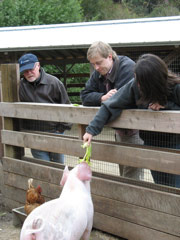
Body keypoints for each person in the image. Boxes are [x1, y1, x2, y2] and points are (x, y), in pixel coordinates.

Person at [83, 53, 180, 188]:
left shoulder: (175, 88)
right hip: (152, 144)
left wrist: (167, 106)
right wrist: (91, 130)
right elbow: (110, 104)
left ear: (153, 80)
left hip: (175, 145)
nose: (138, 84)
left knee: (175, 187)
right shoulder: (135, 85)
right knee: (162, 187)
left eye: (141, 81)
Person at [80, 41, 144, 180]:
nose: (96, 67)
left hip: (135, 129)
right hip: (119, 130)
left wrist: (110, 100)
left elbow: (120, 100)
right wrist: (102, 97)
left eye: (98, 63)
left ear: (110, 56)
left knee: (131, 177)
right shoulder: (99, 73)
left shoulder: (128, 68)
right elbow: (84, 96)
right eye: (93, 64)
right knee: (123, 174)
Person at [18, 53, 72, 163]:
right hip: (34, 134)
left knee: (59, 167)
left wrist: (61, 129)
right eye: (25, 71)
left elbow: (67, 106)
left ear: (38, 65)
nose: (28, 73)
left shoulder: (54, 83)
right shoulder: (20, 86)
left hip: (55, 132)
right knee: (43, 167)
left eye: (31, 69)